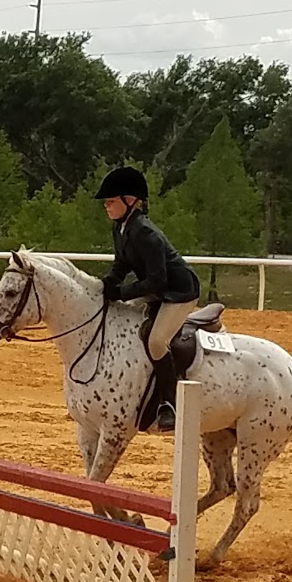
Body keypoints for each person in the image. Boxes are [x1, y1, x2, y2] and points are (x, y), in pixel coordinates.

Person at [94, 166, 201, 431]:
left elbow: (157, 280)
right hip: (157, 289)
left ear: (130, 201)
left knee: (156, 342)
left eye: (111, 201)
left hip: (179, 292)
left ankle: (170, 404)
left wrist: (120, 293)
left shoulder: (147, 233)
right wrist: (104, 286)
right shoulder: (121, 229)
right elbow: (121, 265)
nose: (106, 206)